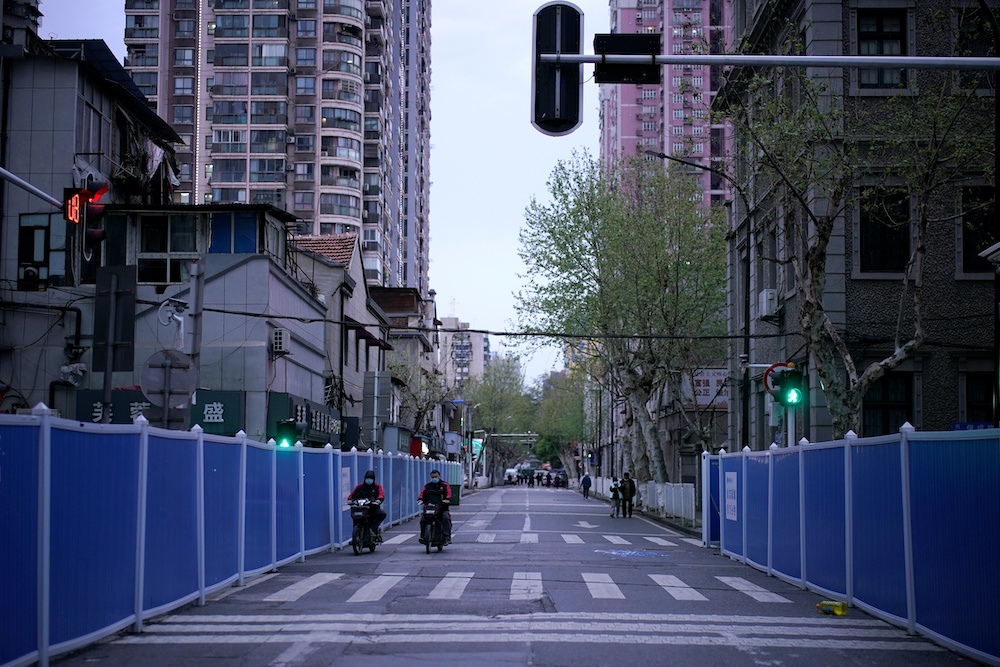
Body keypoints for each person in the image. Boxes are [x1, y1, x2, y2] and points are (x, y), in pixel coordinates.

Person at [347, 470, 386, 542]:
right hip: (361, 508)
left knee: (382, 514)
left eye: (370, 479)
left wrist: (379, 500)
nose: (369, 480)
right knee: (355, 518)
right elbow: (352, 495)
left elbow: (381, 495)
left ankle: (372, 529)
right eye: (367, 478)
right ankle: (355, 537)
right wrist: (350, 500)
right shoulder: (359, 487)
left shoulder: (377, 487)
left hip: (372, 509)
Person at [418, 469, 452, 544]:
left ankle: (446, 538)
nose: (434, 479)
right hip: (430, 508)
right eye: (432, 477)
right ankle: (423, 537)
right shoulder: (428, 486)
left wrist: (447, 500)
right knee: (423, 520)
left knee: (446, 518)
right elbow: (422, 493)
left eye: (436, 477)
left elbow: (449, 493)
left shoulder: (444, 485)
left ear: (439, 476)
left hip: (442, 508)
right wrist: (420, 499)